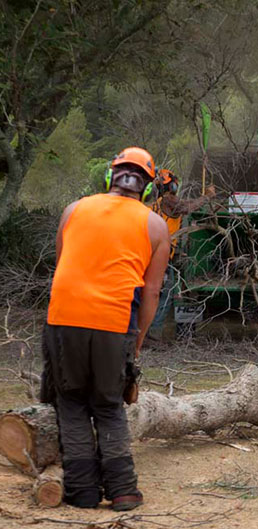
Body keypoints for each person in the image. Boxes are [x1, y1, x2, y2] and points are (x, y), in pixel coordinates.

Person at [42, 147, 170, 510]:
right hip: (115, 322)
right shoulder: (155, 225)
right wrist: (138, 340)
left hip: (64, 317)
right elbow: (152, 292)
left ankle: (82, 491)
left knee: (71, 402)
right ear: (147, 188)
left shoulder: (74, 209)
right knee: (109, 404)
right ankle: (123, 490)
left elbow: (63, 262)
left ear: (109, 177)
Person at [147, 169, 215, 340]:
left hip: (152, 253)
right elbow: (186, 207)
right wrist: (207, 196)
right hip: (158, 256)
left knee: (152, 292)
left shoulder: (160, 202)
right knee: (166, 293)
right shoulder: (169, 201)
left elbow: (184, 204)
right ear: (172, 185)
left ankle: (145, 330)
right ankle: (153, 333)